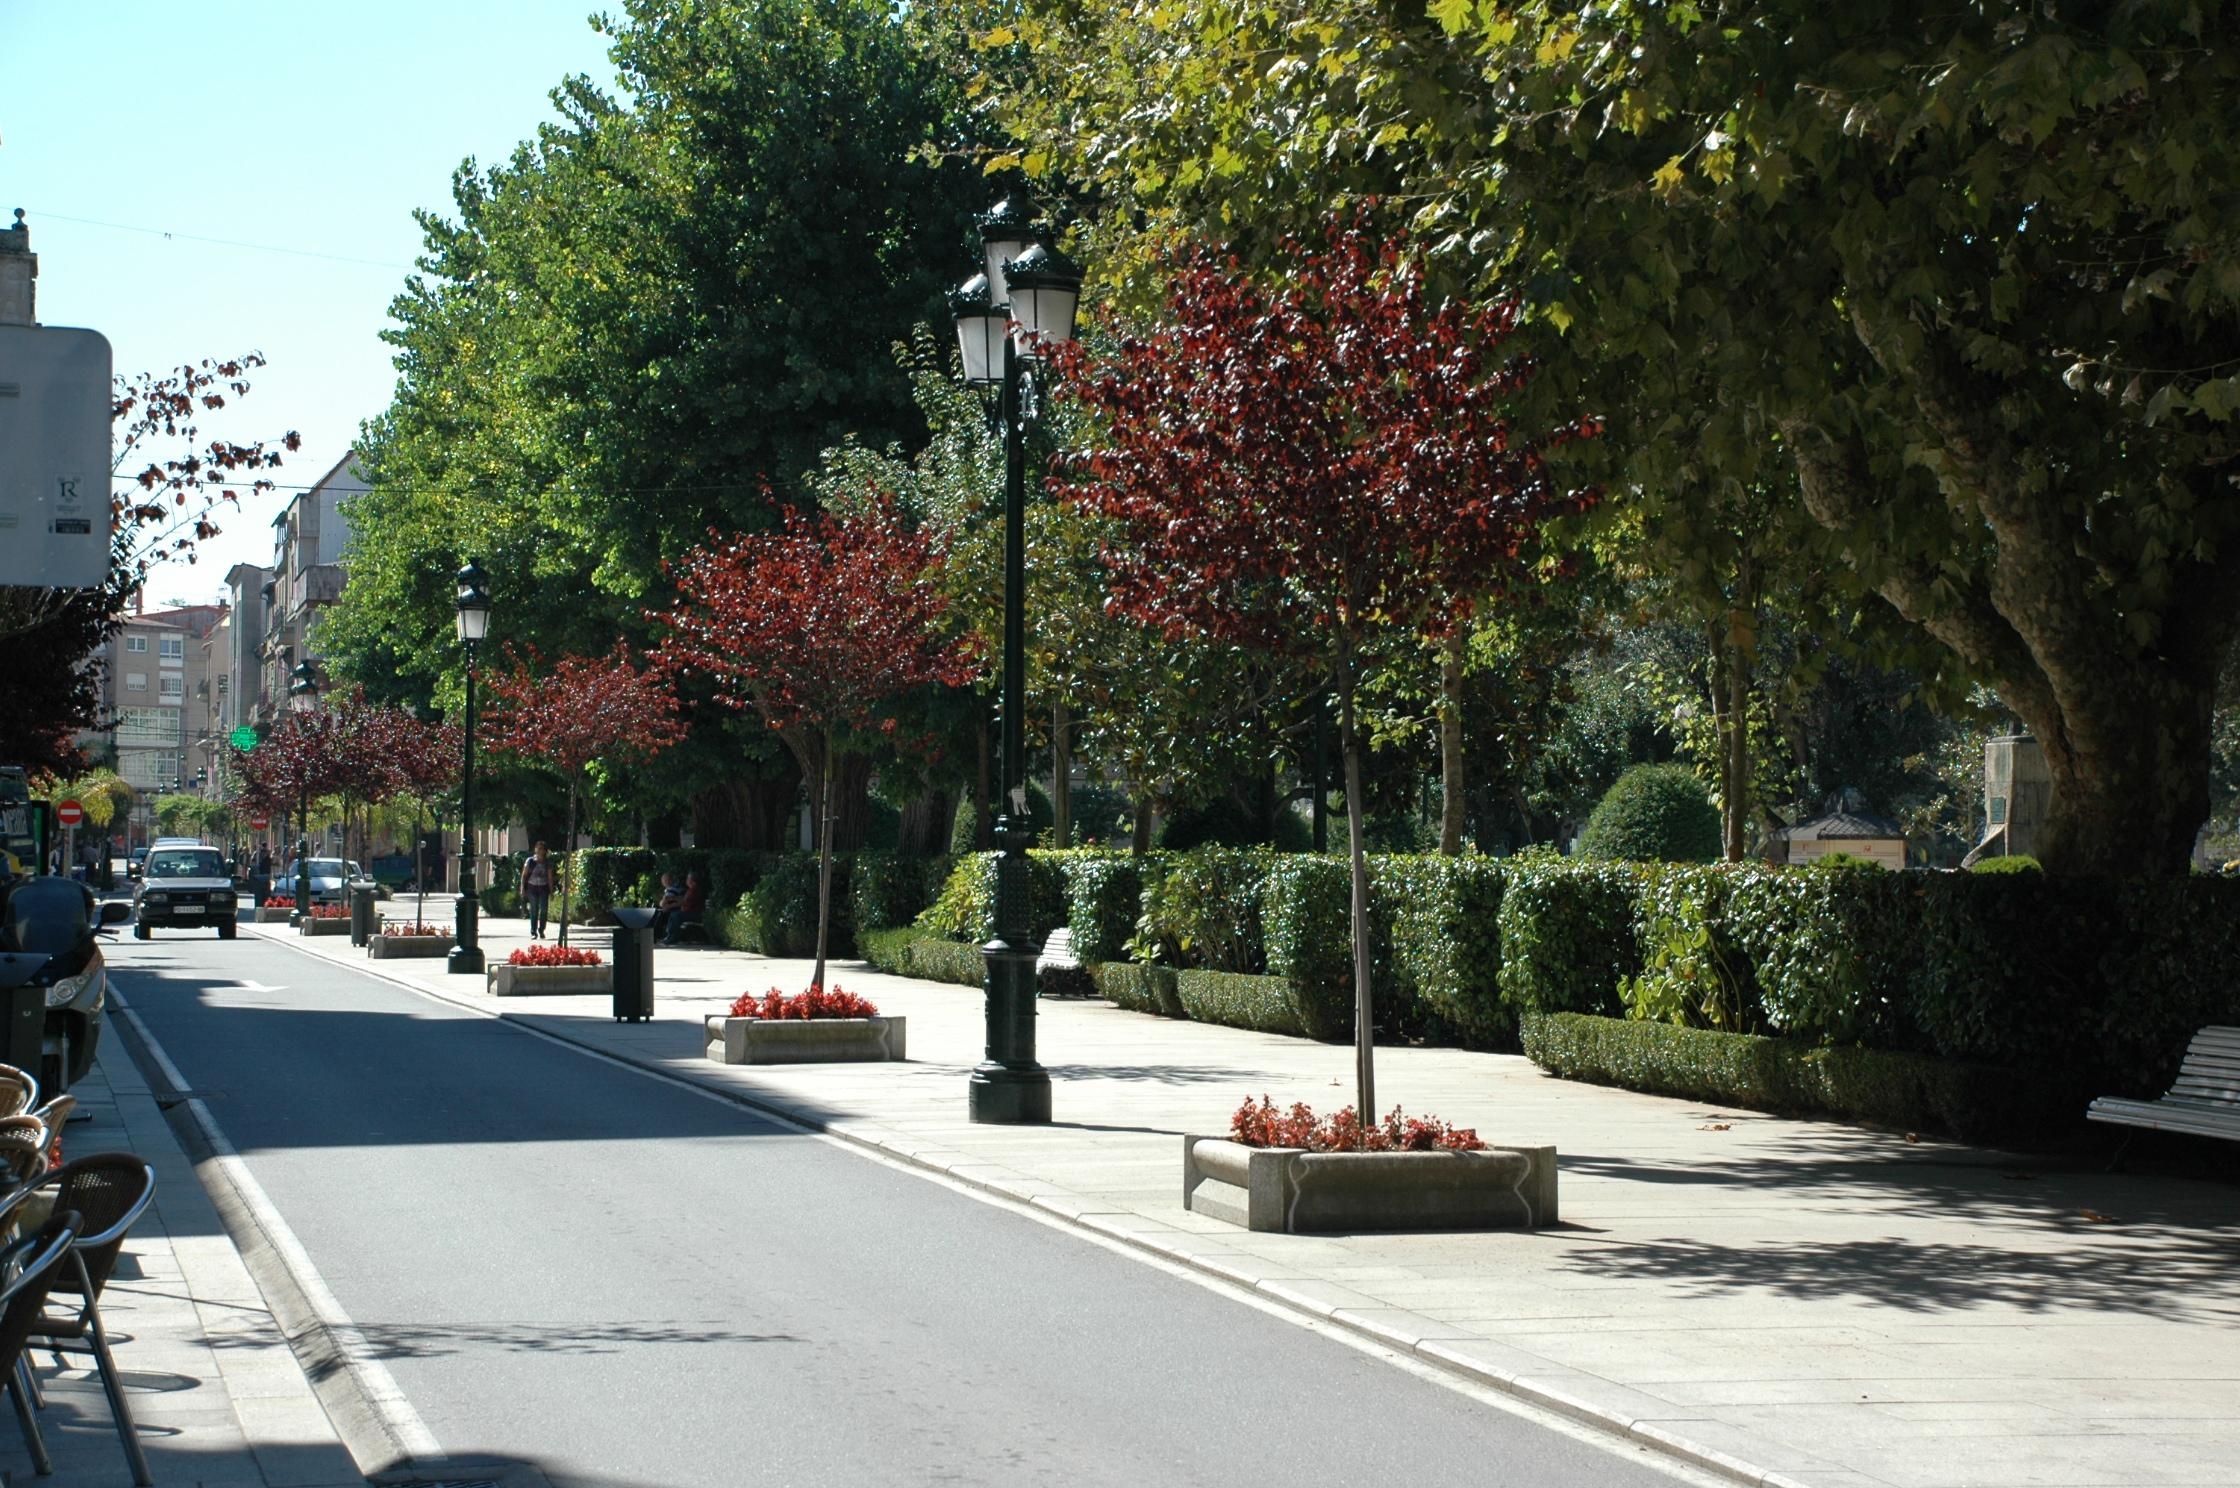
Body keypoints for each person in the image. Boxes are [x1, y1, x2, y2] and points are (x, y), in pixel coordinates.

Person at [660, 870, 705, 946]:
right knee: (674, 915)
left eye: (688, 879)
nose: (686, 880)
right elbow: (684, 900)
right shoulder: (690, 890)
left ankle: (673, 938)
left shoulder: (694, 890)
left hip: (695, 914)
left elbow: (684, 902)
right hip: (689, 912)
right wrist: (674, 898)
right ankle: (670, 936)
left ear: (692, 881)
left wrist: (670, 904)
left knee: (675, 915)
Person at [521, 842, 555, 940]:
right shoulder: (530, 861)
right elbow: (524, 875)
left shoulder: (547, 862)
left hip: (543, 888)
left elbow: (550, 877)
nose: (540, 851)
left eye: (542, 849)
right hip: (532, 888)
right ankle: (533, 931)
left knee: (544, 910)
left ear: (545, 851)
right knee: (534, 910)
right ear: (535, 849)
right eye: (538, 848)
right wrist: (522, 888)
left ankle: (541, 929)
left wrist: (551, 891)